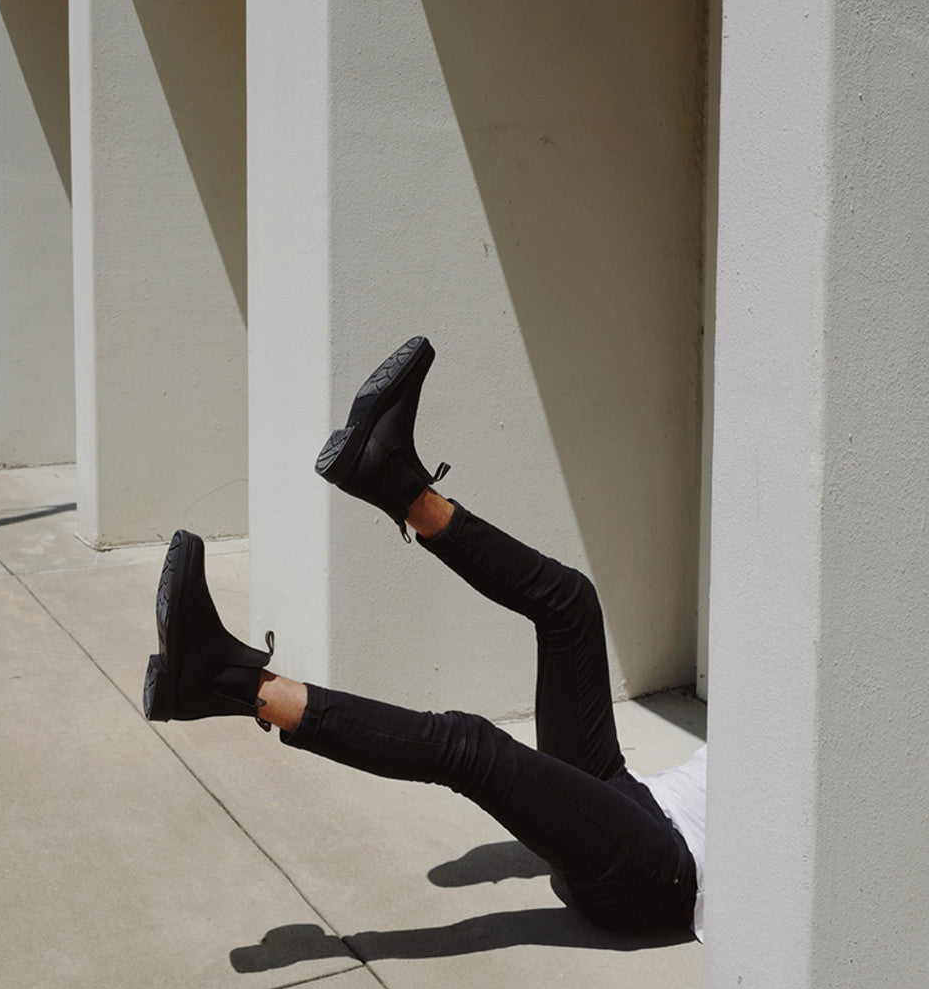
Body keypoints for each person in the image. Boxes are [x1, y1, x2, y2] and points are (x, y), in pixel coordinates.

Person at [143, 336, 706, 941]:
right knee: (570, 604)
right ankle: (394, 481)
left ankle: (224, 682)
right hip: (636, 798)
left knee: (470, 747)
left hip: (663, 874)